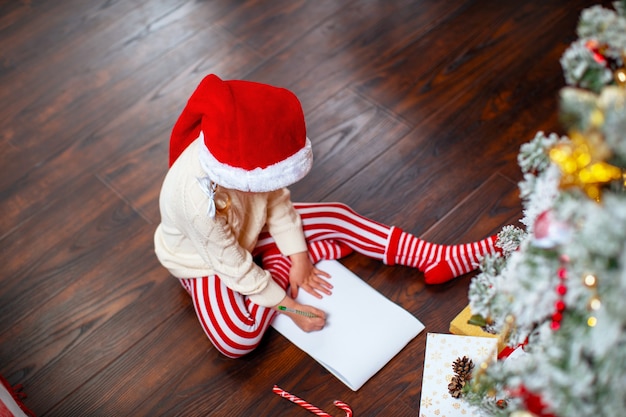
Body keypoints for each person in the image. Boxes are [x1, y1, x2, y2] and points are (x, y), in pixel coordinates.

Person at [154, 74, 500, 358]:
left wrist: (300, 256)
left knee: (337, 215)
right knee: (237, 340)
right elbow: (231, 264)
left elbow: (276, 200)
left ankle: (434, 258)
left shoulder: (250, 161)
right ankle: (274, 266)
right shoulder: (194, 200)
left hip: (249, 233)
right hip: (207, 261)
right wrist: (292, 307)